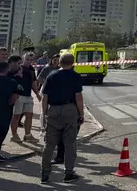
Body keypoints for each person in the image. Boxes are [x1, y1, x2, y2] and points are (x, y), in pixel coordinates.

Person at [41, 53, 83, 184]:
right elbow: (78, 97)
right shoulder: (75, 76)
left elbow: (45, 96)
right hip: (69, 110)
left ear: (59, 62)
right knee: (70, 143)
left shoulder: (51, 75)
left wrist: (45, 112)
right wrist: (81, 114)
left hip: (53, 110)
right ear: (73, 63)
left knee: (49, 144)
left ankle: (44, 173)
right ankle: (68, 173)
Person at [8, 52, 41, 143]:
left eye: (31, 60)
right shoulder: (17, 68)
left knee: (29, 115)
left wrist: (37, 94)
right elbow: (9, 79)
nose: (29, 62)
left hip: (28, 96)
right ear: (23, 59)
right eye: (27, 59)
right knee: (16, 116)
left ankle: (27, 135)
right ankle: (14, 135)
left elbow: (33, 83)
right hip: (18, 95)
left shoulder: (31, 69)